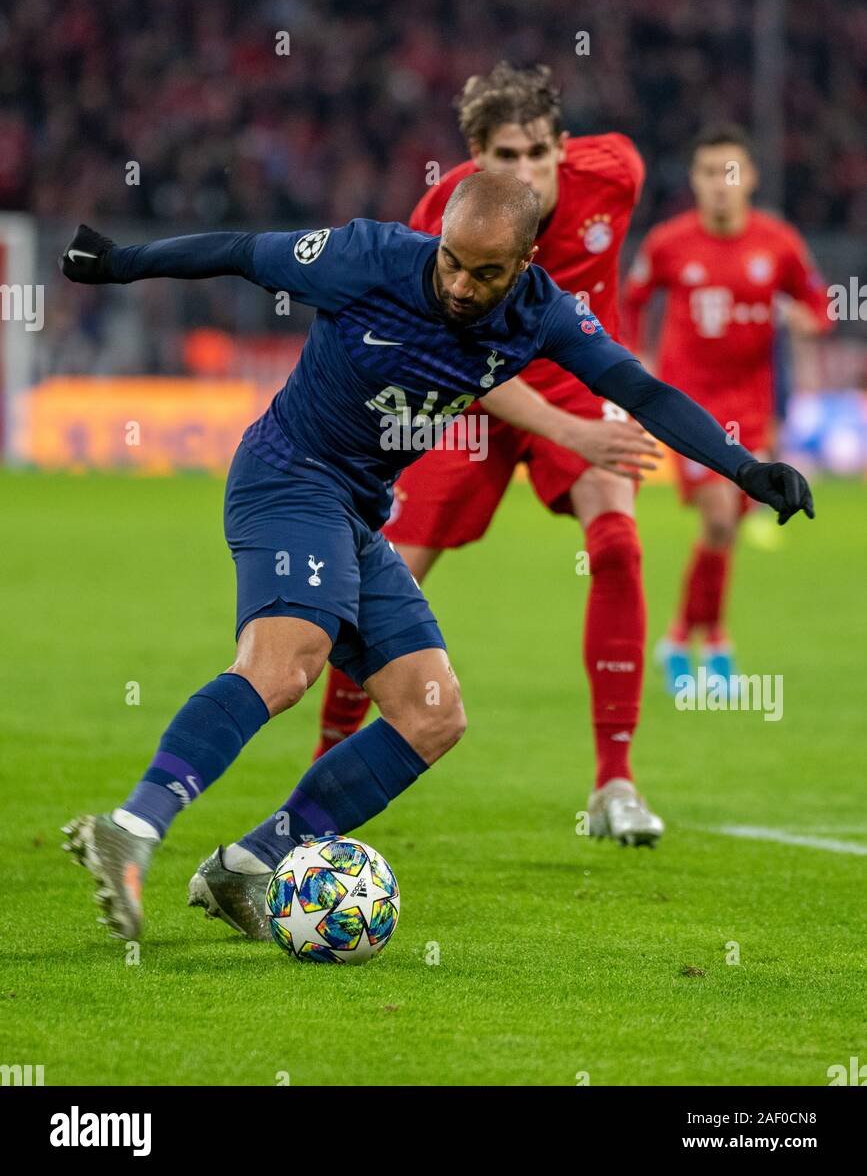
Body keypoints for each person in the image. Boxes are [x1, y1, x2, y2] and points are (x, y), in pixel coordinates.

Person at [60, 171, 813, 942]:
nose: (459, 283)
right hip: (287, 476)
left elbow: (638, 388)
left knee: (432, 715)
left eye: (484, 272)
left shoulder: (541, 314)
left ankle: (250, 865)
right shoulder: (366, 257)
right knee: (288, 661)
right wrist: (121, 263)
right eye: (452, 260)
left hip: (358, 511)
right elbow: (243, 251)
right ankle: (133, 827)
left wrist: (743, 467)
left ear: (524, 261)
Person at [315, 62, 666, 848]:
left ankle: (614, 782)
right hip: (471, 393)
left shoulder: (615, 173)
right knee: (384, 585)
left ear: (562, 147)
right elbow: (451, 363)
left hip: (577, 377)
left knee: (615, 544)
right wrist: (563, 432)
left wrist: (584, 419)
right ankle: (327, 776)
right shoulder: (442, 220)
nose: (525, 172)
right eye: (504, 156)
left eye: (538, 152)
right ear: (473, 156)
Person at [622, 124, 830, 693]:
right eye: (710, 173)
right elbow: (634, 299)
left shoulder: (778, 243)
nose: (720, 184)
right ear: (695, 180)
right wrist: (635, 360)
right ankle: (712, 644)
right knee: (718, 518)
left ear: (750, 179)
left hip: (754, 409)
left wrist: (806, 318)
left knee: (727, 529)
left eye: (730, 172)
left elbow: (818, 305)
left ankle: (683, 637)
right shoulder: (668, 243)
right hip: (690, 405)